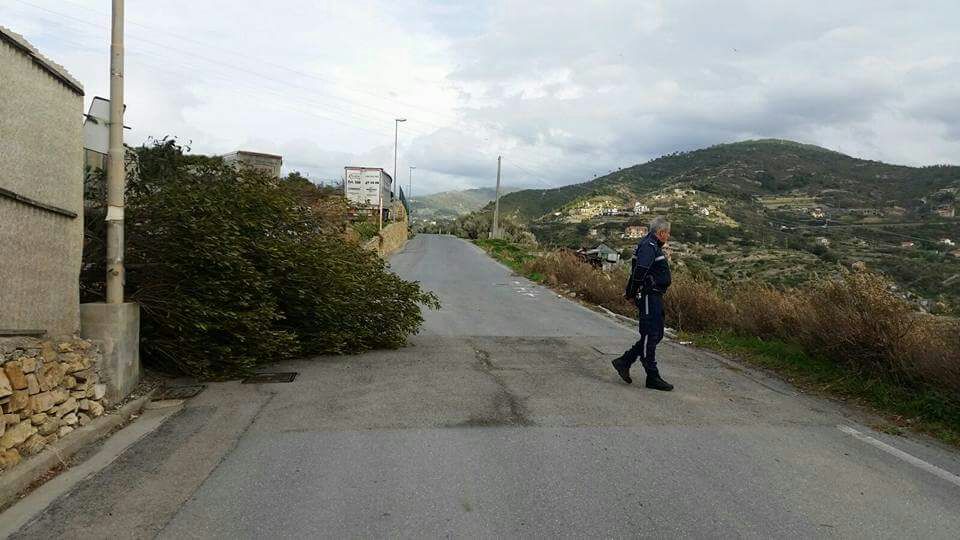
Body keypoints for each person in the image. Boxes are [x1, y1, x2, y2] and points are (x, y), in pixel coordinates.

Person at [612, 216, 674, 391]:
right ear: (661, 233)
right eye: (667, 233)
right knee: (650, 334)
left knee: (657, 334)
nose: (668, 237)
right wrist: (632, 292)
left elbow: (639, 271)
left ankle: (624, 361)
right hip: (649, 296)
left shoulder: (653, 245)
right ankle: (652, 376)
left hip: (655, 296)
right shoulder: (649, 246)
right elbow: (639, 271)